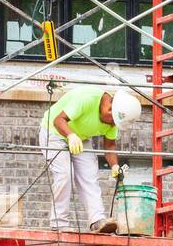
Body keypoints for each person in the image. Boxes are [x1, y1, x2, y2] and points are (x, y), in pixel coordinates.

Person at [39, 84, 142, 233]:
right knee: (64, 173)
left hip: (79, 136)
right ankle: (59, 224)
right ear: (109, 107)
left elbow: (110, 145)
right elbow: (58, 120)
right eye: (112, 120)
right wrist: (71, 136)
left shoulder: (113, 119)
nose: (113, 125)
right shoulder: (86, 99)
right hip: (54, 131)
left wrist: (114, 166)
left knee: (90, 174)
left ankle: (97, 220)